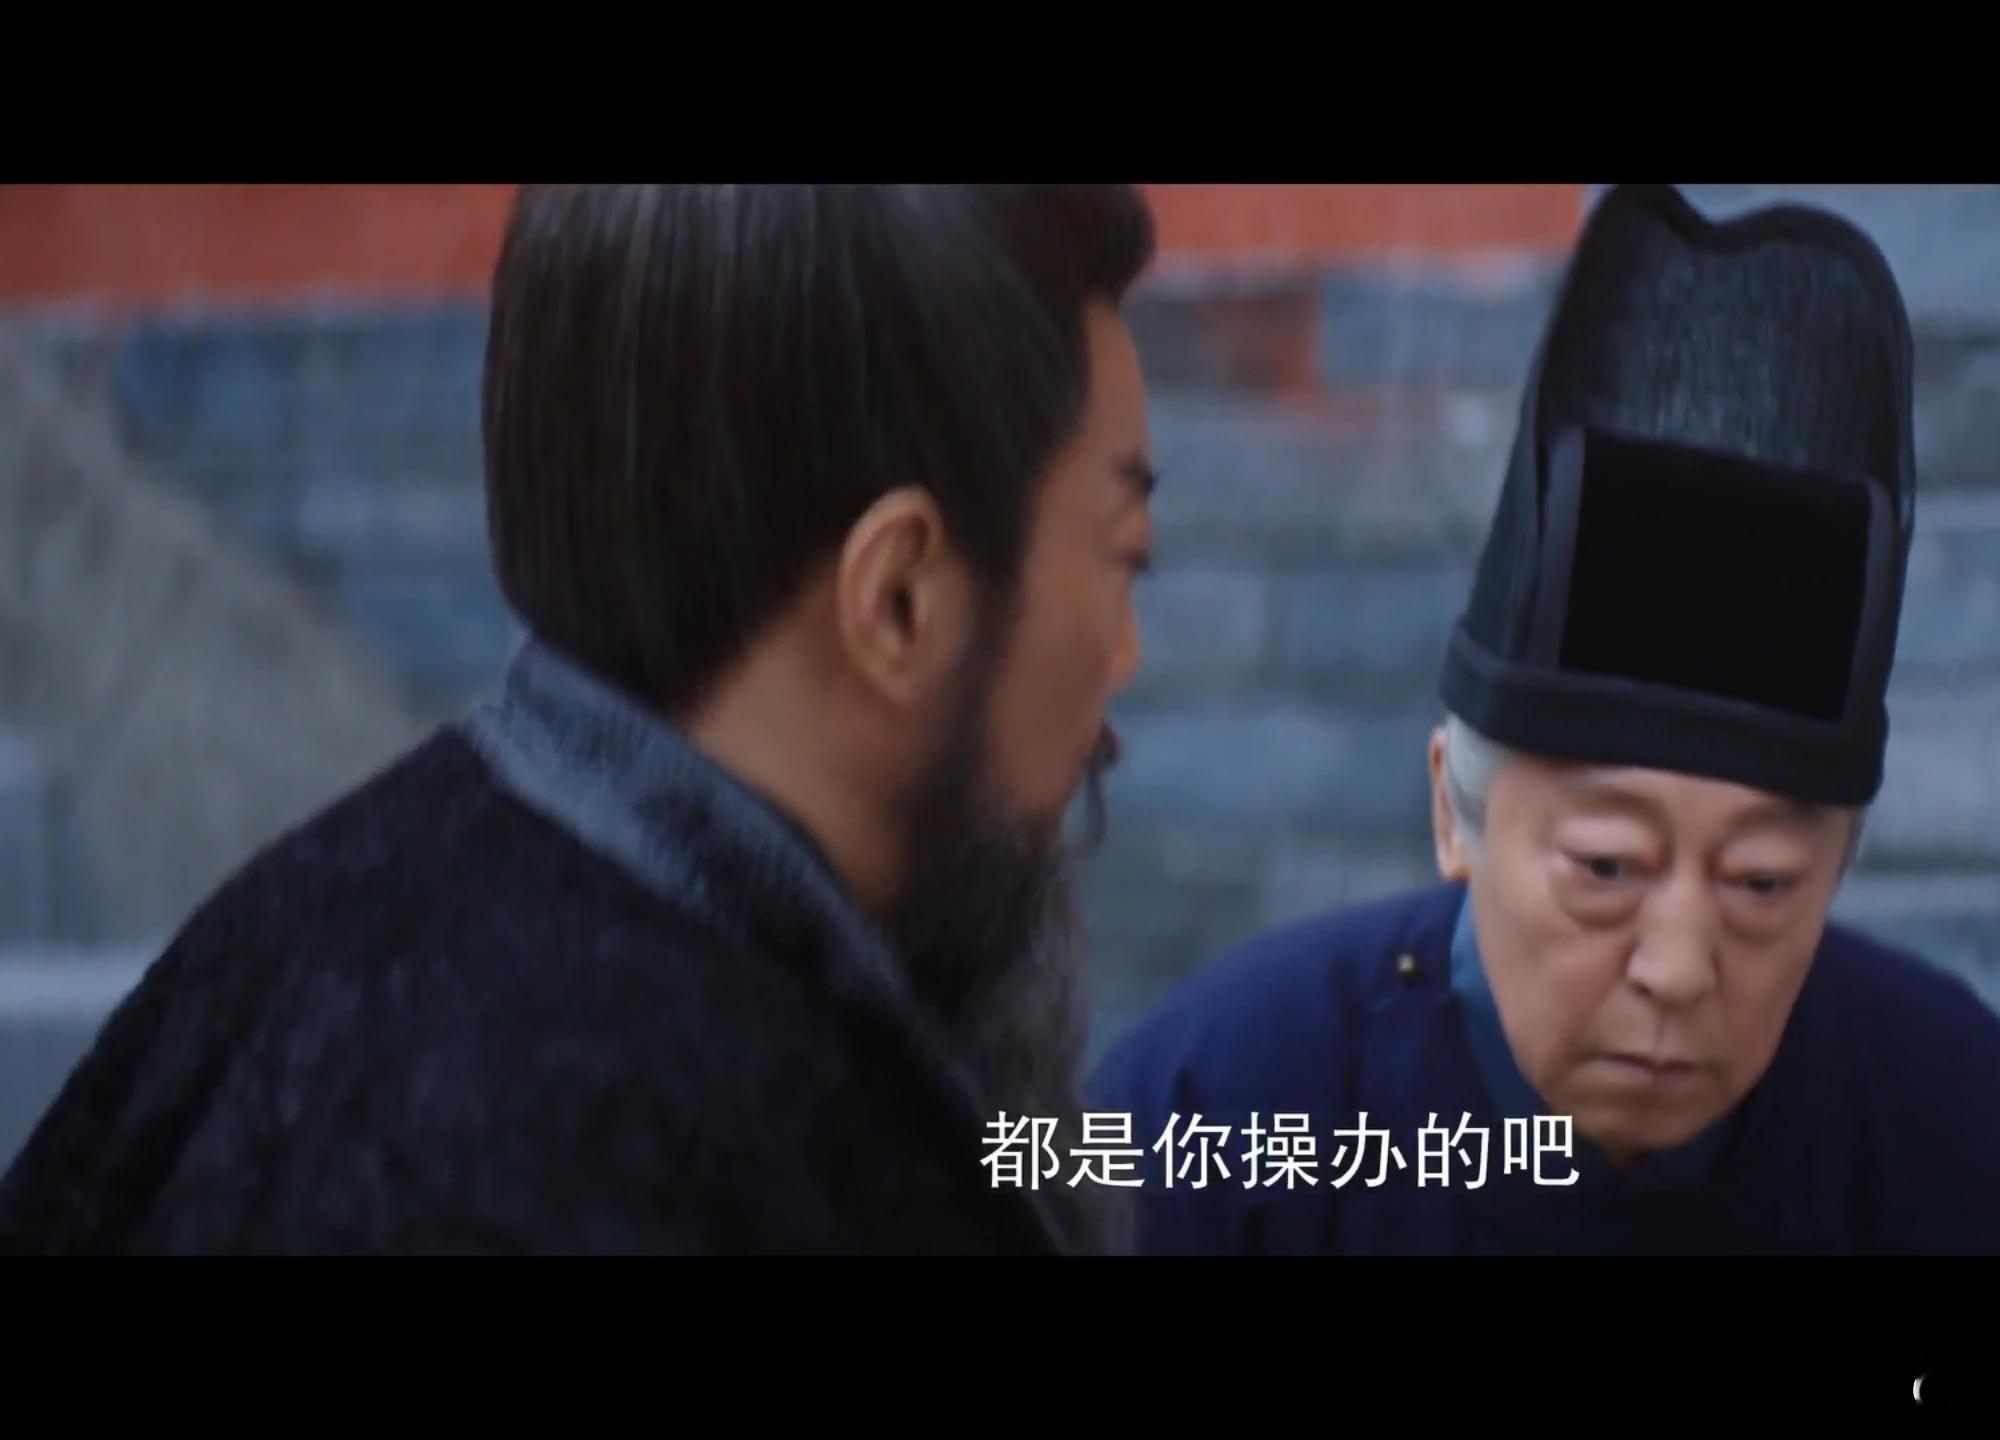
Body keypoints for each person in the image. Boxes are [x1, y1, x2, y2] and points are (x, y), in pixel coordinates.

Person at [0, 184, 1161, 1255]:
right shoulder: (696, 1148)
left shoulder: (287, 938)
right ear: (900, 597)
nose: (1124, 657)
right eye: (1122, 559)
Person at [1086, 184, 2000, 1255]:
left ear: (1838, 865)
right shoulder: (1208, 1111)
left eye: (1761, 883)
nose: (1677, 968)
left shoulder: (1944, 1116)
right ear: (1452, 813)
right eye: (1606, 867)